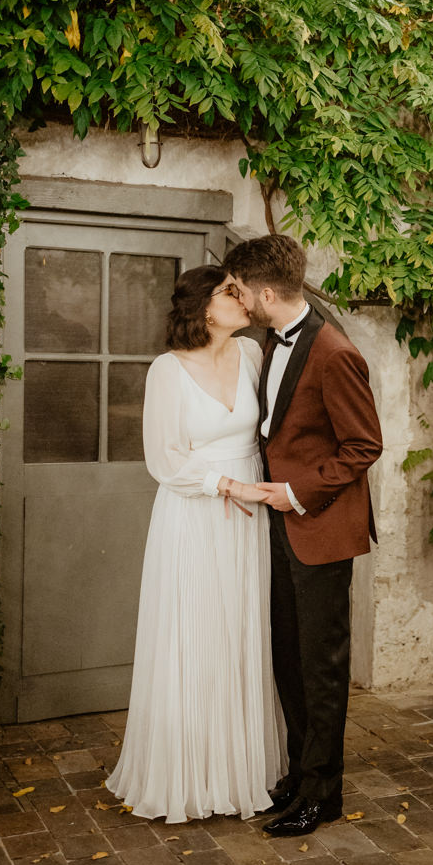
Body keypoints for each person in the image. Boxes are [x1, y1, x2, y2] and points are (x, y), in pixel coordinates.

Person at [105, 266, 284, 823]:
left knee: (241, 634)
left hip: (247, 521)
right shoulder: (168, 370)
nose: (243, 298)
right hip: (194, 514)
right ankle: (186, 776)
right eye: (231, 291)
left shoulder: (252, 354)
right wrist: (226, 486)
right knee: (194, 634)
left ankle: (239, 773)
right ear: (205, 307)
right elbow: (164, 459)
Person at [222, 235, 383, 836]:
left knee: (321, 668)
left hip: (320, 528)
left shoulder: (335, 352)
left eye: (240, 291)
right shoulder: (272, 340)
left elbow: (364, 446)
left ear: (266, 293)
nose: (237, 299)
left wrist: (294, 493)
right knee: (289, 660)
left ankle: (323, 795)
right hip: (280, 527)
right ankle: (298, 776)